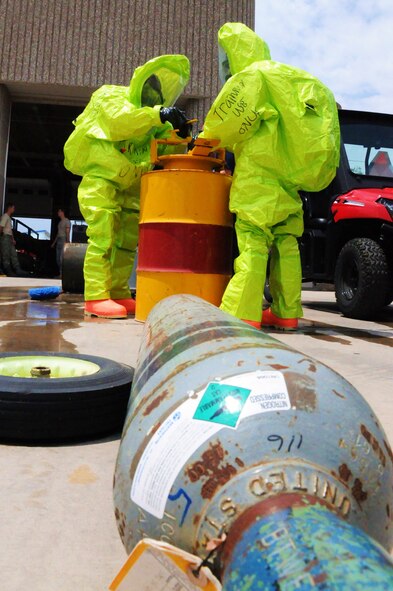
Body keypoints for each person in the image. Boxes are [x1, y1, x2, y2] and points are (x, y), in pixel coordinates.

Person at [201, 23, 340, 330]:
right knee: (287, 246)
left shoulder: (254, 77)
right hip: (287, 187)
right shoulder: (287, 81)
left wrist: (205, 138)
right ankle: (287, 312)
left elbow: (222, 122)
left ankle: (243, 312)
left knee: (253, 245)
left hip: (257, 182)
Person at [64, 55, 191, 318]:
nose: (153, 96)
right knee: (103, 236)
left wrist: (181, 137)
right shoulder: (111, 96)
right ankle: (96, 296)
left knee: (126, 241)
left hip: (132, 182)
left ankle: (119, 291)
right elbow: (117, 122)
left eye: (158, 94)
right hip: (103, 178)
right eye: (150, 89)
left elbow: (164, 148)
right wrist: (158, 115)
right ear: (139, 83)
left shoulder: (154, 119)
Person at [0, 202, 26, 277]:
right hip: (5, 237)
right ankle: (7, 270)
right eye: (13, 208)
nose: (14, 209)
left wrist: (13, 239)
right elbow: (1, 227)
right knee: (6, 254)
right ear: (10, 208)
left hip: (9, 238)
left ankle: (18, 270)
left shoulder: (9, 218)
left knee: (13, 254)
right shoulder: (5, 216)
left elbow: (10, 230)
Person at [51, 208, 71, 276]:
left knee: (61, 258)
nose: (58, 213)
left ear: (62, 212)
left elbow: (67, 232)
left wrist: (68, 241)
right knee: (57, 259)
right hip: (59, 240)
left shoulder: (67, 221)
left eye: (59, 211)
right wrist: (54, 243)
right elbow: (58, 233)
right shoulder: (60, 222)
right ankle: (60, 273)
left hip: (63, 240)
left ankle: (62, 274)